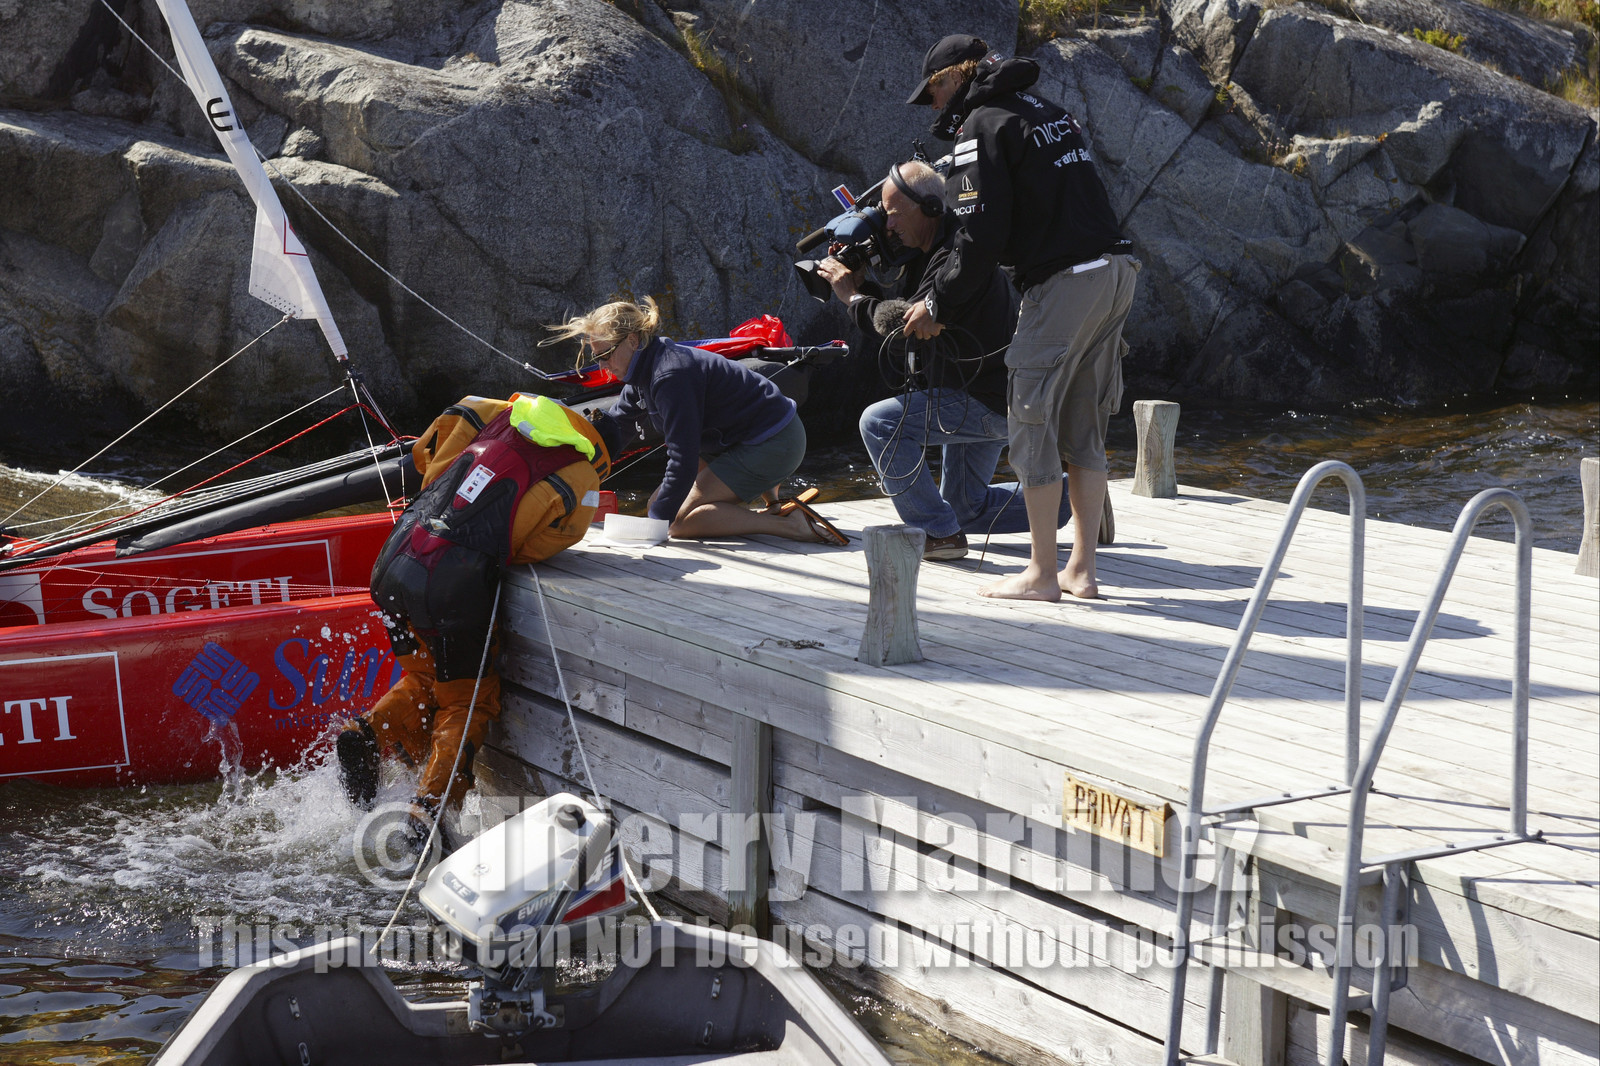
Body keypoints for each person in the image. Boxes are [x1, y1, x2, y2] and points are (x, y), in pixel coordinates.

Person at [904, 34, 1139, 601]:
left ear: (954, 78)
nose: (933, 107)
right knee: (1084, 424)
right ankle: (1080, 571)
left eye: (932, 93)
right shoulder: (1044, 109)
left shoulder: (976, 129)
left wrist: (938, 302)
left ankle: (1040, 574)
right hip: (1117, 269)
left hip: (1064, 283)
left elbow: (978, 234)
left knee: (1030, 421)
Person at [337, 393, 614, 842]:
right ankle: (427, 811)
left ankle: (366, 731)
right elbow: (536, 547)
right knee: (467, 702)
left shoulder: (489, 409)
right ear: (600, 450)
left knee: (428, 677)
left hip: (395, 557)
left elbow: (424, 451)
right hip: (452, 582)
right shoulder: (580, 476)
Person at [814, 159, 1072, 561]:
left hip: (986, 399)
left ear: (930, 209)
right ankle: (1076, 499)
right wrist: (863, 282)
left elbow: (904, 326)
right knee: (965, 508)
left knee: (879, 422)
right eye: (884, 217)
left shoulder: (956, 256)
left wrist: (851, 297)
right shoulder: (925, 248)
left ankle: (938, 534)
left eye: (894, 216)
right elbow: (905, 312)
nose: (888, 227)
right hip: (976, 389)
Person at [551, 296, 849, 546]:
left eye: (606, 356)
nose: (602, 367)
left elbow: (683, 458)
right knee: (659, 506)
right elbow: (616, 429)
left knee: (679, 524)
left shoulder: (670, 375)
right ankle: (770, 502)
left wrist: (656, 530)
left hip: (774, 441)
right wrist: (574, 478)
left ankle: (791, 526)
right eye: (597, 358)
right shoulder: (644, 373)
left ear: (632, 340)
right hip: (745, 436)